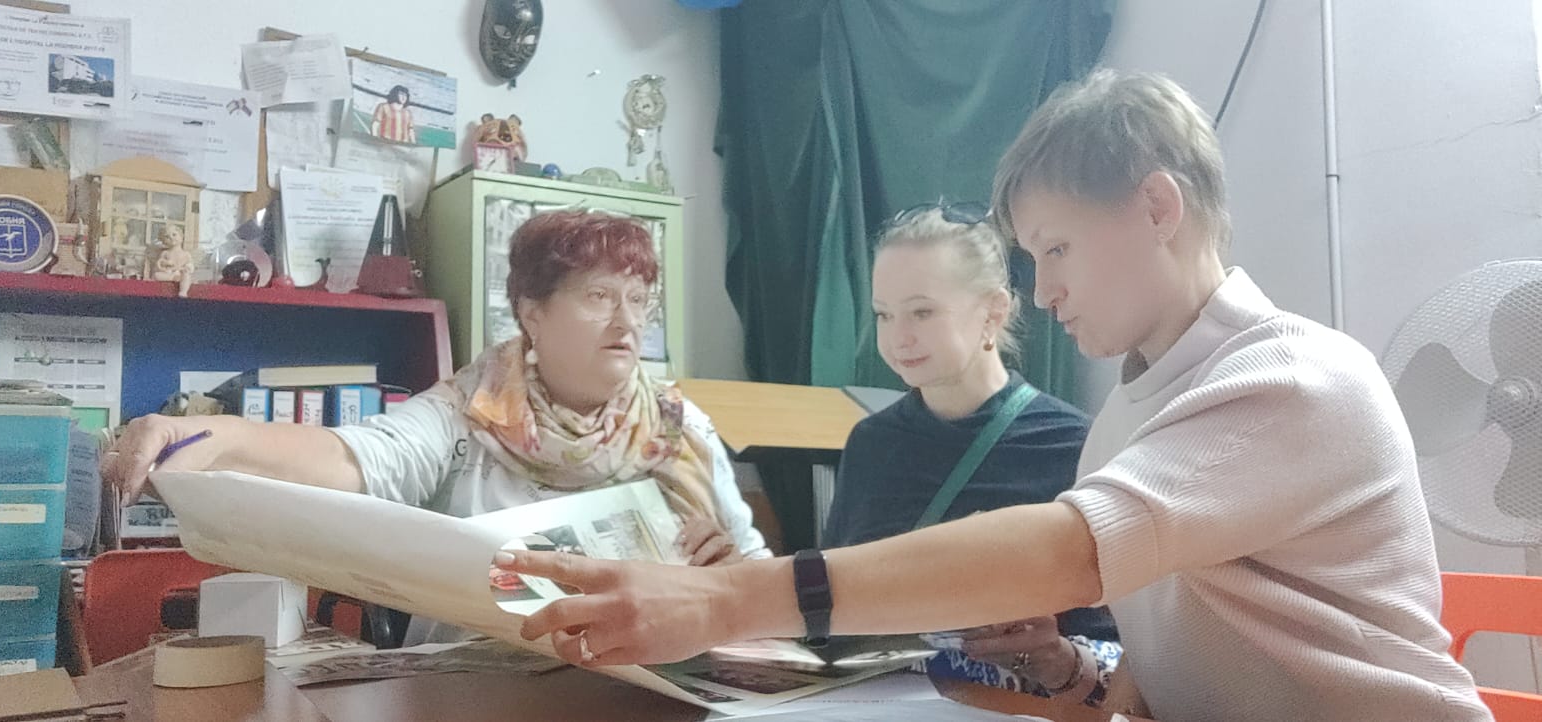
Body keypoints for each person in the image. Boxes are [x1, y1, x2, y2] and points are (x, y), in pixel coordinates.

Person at [496, 70, 1492, 721]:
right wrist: (1071, 673)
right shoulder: (1134, 408)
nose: (1044, 291)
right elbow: (1192, 672)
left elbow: (1068, 547)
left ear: (1158, 207)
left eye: (1056, 249)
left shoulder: (1293, 378)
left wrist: (723, 598)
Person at [103, 210, 771, 645]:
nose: (627, 323)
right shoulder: (466, 414)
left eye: (638, 301)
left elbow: (754, 575)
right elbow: (353, 457)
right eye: (599, 296)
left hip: (645, 692)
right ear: (531, 313)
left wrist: (728, 580)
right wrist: (213, 437)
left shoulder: (681, 429)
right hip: (475, 692)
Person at [823, 202, 1119, 703]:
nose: (898, 338)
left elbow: (1125, 655)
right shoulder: (870, 444)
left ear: (993, 312)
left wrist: (1056, 656)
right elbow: (831, 615)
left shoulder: (1073, 446)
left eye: (922, 311)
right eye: (884, 314)